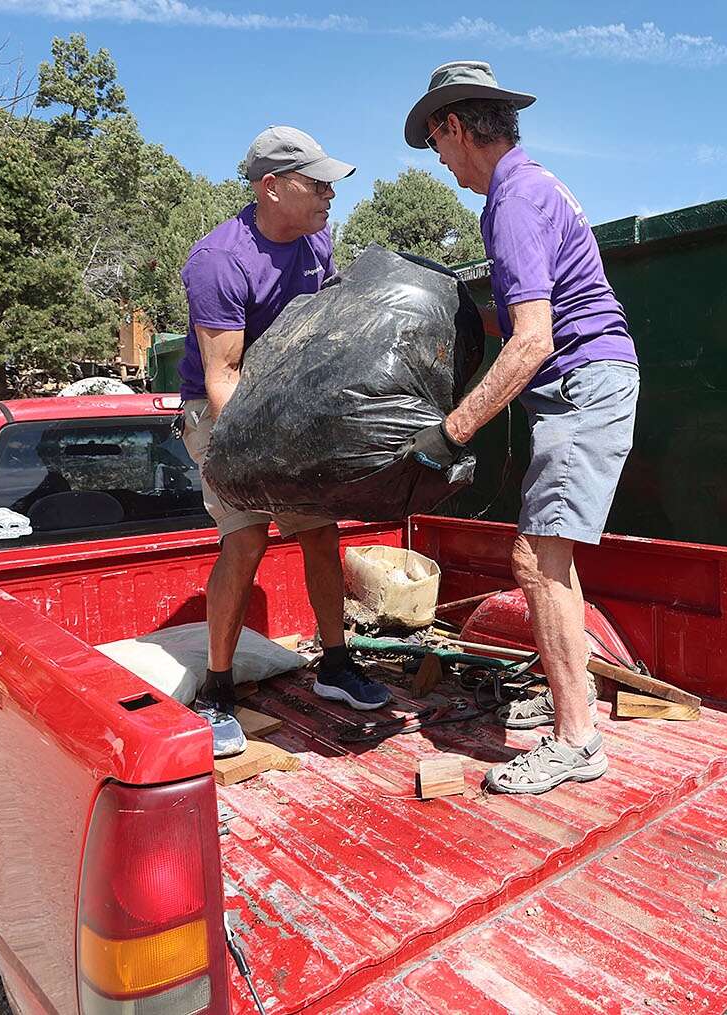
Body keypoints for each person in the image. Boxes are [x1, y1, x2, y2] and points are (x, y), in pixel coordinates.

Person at [401, 61, 641, 794]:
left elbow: (533, 340)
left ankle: (576, 741)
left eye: (437, 144)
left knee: (536, 561)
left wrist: (453, 430)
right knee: (550, 559)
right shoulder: (534, 186)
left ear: (453, 125)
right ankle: (578, 713)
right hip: (586, 384)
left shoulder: (513, 198)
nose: (440, 162)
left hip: (581, 386)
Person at [179, 126, 390, 735]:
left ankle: (336, 664)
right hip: (223, 409)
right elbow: (224, 377)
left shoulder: (317, 241)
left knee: (319, 533)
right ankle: (216, 693)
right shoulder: (218, 261)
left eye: (330, 182)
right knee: (246, 539)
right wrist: (265, 453)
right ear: (271, 187)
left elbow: (321, 334)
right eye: (316, 182)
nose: (330, 193)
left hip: (288, 404)